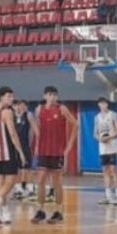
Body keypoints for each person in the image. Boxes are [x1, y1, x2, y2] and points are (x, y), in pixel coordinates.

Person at [33, 86, 78, 225]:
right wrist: (37, 145)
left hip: (57, 151)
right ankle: (40, 210)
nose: (52, 97)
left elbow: (76, 125)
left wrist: (69, 147)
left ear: (57, 97)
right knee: (40, 180)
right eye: (49, 94)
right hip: (43, 151)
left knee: (56, 181)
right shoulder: (39, 110)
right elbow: (38, 129)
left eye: (54, 95)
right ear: (45, 96)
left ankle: (58, 212)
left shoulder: (62, 109)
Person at [0, 87, 27, 226]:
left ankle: (4, 212)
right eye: (8, 96)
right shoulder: (7, 112)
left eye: (12, 96)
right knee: (11, 180)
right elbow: (13, 134)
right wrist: (21, 152)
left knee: (1, 183)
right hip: (7, 150)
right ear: (1, 97)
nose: (11, 99)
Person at [94, 97, 117, 206]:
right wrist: (100, 139)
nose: (103, 105)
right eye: (101, 103)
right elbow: (95, 133)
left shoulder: (113, 115)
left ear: (107, 104)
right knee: (105, 170)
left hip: (112, 145)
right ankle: (108, 195)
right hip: (103, 147)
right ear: (98, 105)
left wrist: (109, 137)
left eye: (105, 103)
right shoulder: (97, 117)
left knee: (113, 169)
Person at [13, 100, 37, 200]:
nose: (21, 107)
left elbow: (34, 131)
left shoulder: (28, 116)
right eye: (20, 105)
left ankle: (30, 189)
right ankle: (18, 189)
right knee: (17, 168)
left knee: (27, 168)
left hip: (25, 146)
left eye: (24, 105)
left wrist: (33, 144)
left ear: (26, 107)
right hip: (15, 146)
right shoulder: (13, 117)